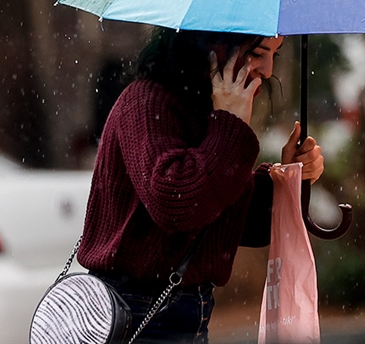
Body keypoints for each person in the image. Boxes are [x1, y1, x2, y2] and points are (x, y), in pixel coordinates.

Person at [77, 28, 324, 343]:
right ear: (213, 45)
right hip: (134, 312)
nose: (268, 70)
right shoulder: (146, 103)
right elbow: (177, 205)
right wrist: (230, 125)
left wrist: (290, 179)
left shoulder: (207, 111)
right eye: (258, 53)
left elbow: (232, 220)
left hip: (190, 312)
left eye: (274, 55)